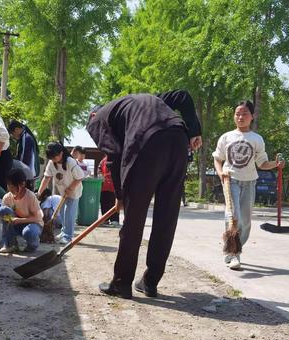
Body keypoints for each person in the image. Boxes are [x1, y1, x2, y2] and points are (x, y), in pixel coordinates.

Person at [86, 90, 202, 299]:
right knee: (166, 217)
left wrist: (121, 196)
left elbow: (113, 155)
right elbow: (183, 96)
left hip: (147, 145)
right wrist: (194, 130)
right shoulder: (146, 100)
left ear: (92, 116)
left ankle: (121, 283)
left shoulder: (98, 119)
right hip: (178, 140)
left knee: (134, 218)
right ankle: (150, 282)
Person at [213, 100, 284, 270]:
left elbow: (262, 163)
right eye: (237, 114)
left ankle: (237, 248)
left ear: (252, 116)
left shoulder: (256, 139)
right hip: (230, 180)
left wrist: (276, 164)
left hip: (250, 181)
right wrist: (220, 172)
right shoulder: (226, 137)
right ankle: (232, 254)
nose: (240, 117)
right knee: (233, 216)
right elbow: (218, 158)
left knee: (245, 220)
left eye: (244, 113)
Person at [37, 142, 85, 245]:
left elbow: (80, 177)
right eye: (51, 158)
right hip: (63, 191)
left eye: (55, 157)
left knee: (69, 214)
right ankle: (63, 232)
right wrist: (39, 192)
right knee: (62, 212)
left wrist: (71, 188)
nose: (53, 159)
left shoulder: (70, 162)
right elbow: (46, 178)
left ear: (61, 153)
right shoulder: (51, 163)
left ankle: (68, 236)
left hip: (74, 191)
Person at [0, 168, 44, 253]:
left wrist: (20, 220)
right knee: (3, 210)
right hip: (16, 224)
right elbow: (5, 219)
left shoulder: (30, 196)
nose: (10, 188)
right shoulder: (7, 197)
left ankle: (32, 245)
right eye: (8, 185)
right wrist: (3, 218)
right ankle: (10, 244)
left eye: (12, 186)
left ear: (22, 184)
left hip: (33, 224)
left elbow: (38, 218)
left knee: (29, 232)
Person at [7, 120, 40, 186]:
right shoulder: (23, 138)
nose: (13, 136)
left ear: (17, 129)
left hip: (28, 175)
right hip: (28, 174)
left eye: (12, 133)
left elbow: (24, 159)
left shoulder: (26, 138)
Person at [98, 156, 119, 225]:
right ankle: (105, 219)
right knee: (104, 203)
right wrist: (100, 175)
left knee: (113, 203)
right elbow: (99, 169)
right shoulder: (103, 160)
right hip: (104, 186)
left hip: (114, 186)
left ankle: (114, 220)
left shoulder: (117, 159)